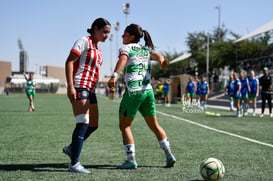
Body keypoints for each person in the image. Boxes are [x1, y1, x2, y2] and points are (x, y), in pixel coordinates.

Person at [108, 24, 176, 169]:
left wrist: (114, 75)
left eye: (124, 34)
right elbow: (157, 55)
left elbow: (123, 60)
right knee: (154, 125)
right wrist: (163, 61)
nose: (122, 37)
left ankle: (131, 160)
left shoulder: (126, 49)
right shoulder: (145, 50)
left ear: (131, 37)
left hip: (134, 91)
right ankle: (169, 154)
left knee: (124, 126)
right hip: (148, 91)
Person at [63, 18, 111, 174]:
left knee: (93, 124)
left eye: (108, 33)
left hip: (90, 89)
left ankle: (72, 148)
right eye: (104, 31)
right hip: (79, 85)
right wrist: (70, 86)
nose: (106, 35)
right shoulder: (84, 41)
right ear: (95, 29)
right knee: (83, 122)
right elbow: (69, 62)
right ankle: (74, 163)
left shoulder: (98, 49)